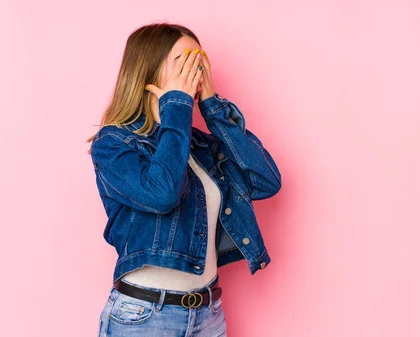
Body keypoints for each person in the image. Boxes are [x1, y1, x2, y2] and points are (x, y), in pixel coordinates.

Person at [86, 23, 282, 337]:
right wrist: (176, 106)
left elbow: (265, 181)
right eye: (185, 62)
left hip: (208, 315)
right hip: (145, 317)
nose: (196, 69)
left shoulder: (202, 147)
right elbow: (162, 193)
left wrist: (211, 105)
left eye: (199, 60)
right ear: (148, 71)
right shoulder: (114, 144)